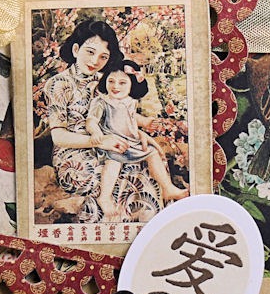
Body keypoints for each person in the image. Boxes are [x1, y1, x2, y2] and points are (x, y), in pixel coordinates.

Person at [42, 19, 161, 223]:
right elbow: (59, 136)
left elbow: (117, 115)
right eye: (90, 52)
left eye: (103, 57)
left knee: (143, 163)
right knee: (116, 176)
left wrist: (138, 133)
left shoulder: (104, 82)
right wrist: (98, 141)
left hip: (109, 144)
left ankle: (145, 227)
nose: (95, 61)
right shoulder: (59, 84)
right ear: (76, 49)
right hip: (73, 153)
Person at [85, 59, 188, 220]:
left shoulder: (129, 101)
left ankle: (168, 187)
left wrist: (145, 122)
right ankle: (104, 196)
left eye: (122, 83)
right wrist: (96, 132)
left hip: (131, 141)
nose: (115, 86)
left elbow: (132, 118)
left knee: (152, 153)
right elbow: (91, 121)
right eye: (111, 81)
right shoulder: (102, 102)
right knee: (113, 162)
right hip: (112, 142)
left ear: (132, 85)